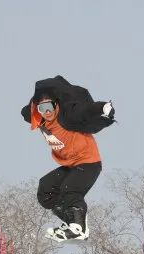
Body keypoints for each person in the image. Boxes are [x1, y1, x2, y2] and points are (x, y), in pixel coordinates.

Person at [21, 75, 115, 242]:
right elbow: (26, 112)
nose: (47, 113)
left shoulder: (67, 116)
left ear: (56, 105)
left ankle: (79, 227)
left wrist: (102, 108)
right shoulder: (40, 120)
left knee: (69, 189)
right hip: (70, 165)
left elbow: (85, 113)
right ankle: (74, 224)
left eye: (49, 107)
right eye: (42, 109)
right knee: (46, 189)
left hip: (88, 162)